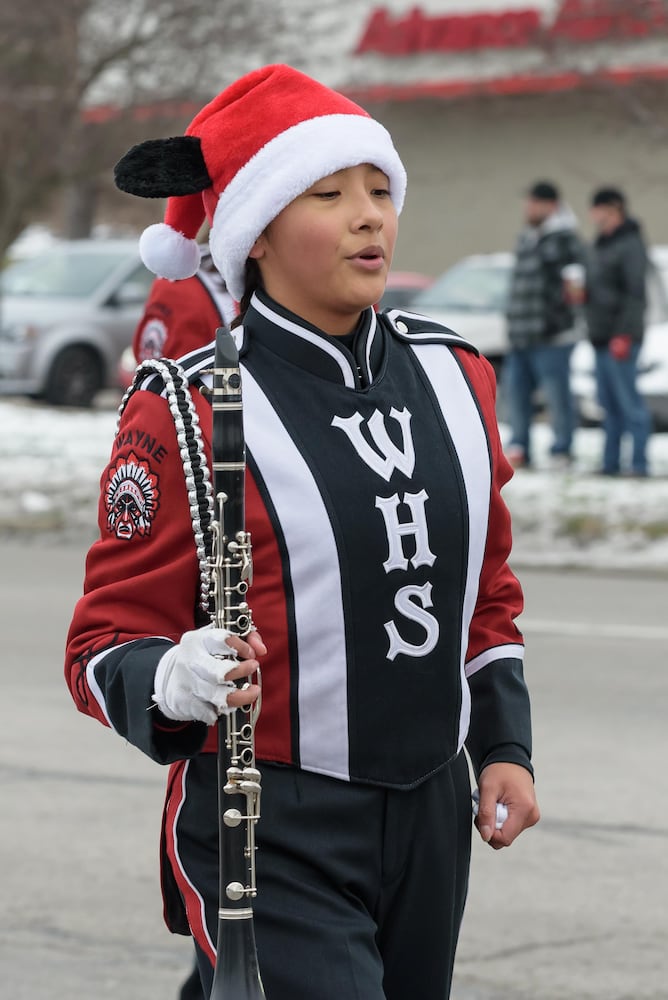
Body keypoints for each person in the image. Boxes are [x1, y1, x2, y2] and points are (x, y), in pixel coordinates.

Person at [65, 64, 540, 1000]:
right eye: (329, 194)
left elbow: (485, 594)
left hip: (430, 812)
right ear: (260, 231)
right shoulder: (189, 401)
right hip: (270, 819)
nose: (370, 215)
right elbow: (99, 643)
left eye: (378, 189)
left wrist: (505, 747)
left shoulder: (458, 375)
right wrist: (173, 673)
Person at [504, 180, 586, 470]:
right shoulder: (528, 238)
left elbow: (576, 287)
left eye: (534, 202)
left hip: (553, 336)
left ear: (550, 205)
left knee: (556, 396)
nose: (528, 207)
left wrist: (561, 319)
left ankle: (562, 449)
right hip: (521, 335)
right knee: (517, 395)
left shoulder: (566, 240)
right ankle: (519, 446)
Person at [586, 186, 651, 477]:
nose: (593, 215)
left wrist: (624, 334)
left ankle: (639, 463)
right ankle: (610, 463)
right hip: (600, 336)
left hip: (620, 337)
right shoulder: (602, 243)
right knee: (609, 404)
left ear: (613, 209)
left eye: (597, 208)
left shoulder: (630, 243)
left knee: (629, 403)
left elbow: (635, 294)